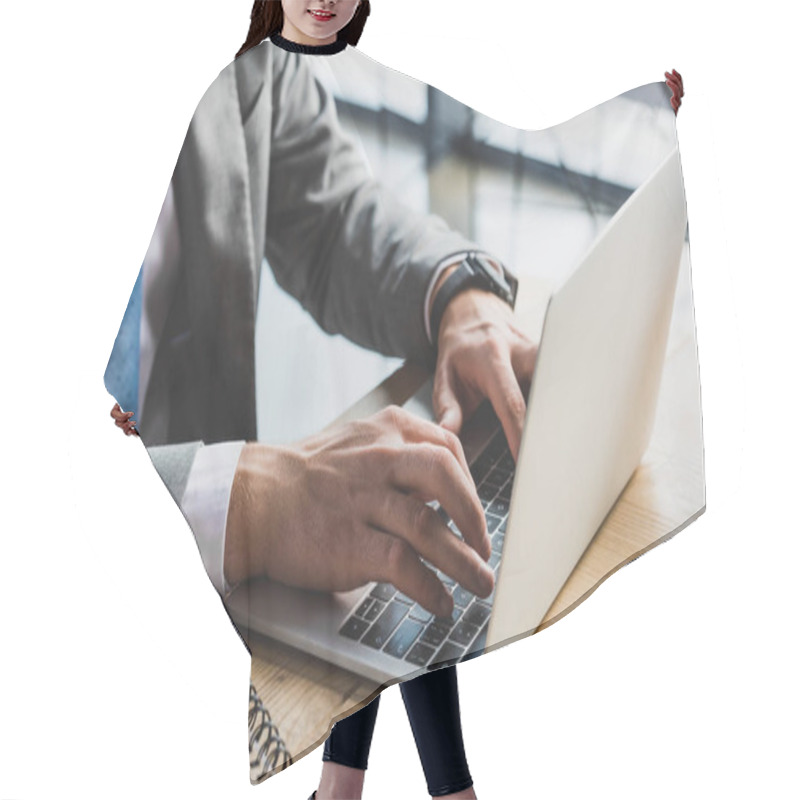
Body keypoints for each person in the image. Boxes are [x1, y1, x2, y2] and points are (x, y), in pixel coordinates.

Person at [108, 2, 684, 797]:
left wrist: (457, 293)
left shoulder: (278, 73)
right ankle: (439, 790)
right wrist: (245, 491)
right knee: (395, 548)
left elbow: (335, 217)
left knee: (400, 539)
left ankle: (351, 788)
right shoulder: (193, 80)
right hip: (164, 501)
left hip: (242, 484)